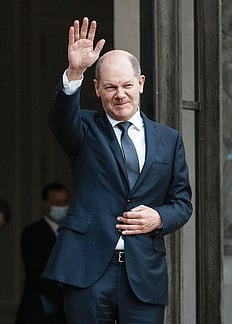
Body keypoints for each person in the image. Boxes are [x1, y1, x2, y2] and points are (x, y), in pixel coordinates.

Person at [43, 17, 192, 323]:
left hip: (143, 275)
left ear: (140, 83)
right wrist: (75, 72)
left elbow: (182, 203)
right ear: (97, 89)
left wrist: (159, 217)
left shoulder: (169, 139)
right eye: (110, 87)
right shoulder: (83, 129)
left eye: (126, 85)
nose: (119, 94)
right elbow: (59, 118)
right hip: (88, 270)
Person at [16, 182, 69, 324]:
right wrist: (65, 299)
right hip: (40, 311)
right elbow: (36, 273)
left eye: (64, 203)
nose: (61, 207)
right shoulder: (33, 233)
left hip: (64, 314)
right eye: (56, 203)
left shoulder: (70, 234)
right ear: (44, 204)